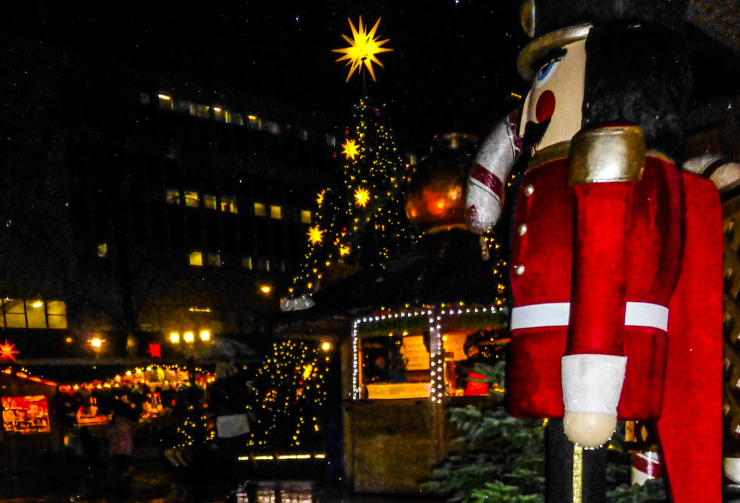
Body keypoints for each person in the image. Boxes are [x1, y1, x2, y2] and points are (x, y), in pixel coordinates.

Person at [465, 1, 723, 501]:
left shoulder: (610, 152)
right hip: (555, 357)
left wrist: (592, 388)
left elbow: (601, 268)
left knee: (577, 470)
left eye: (550, 67)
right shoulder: (576, 157)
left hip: (590, 362)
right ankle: (642, 459)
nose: (536, 93)